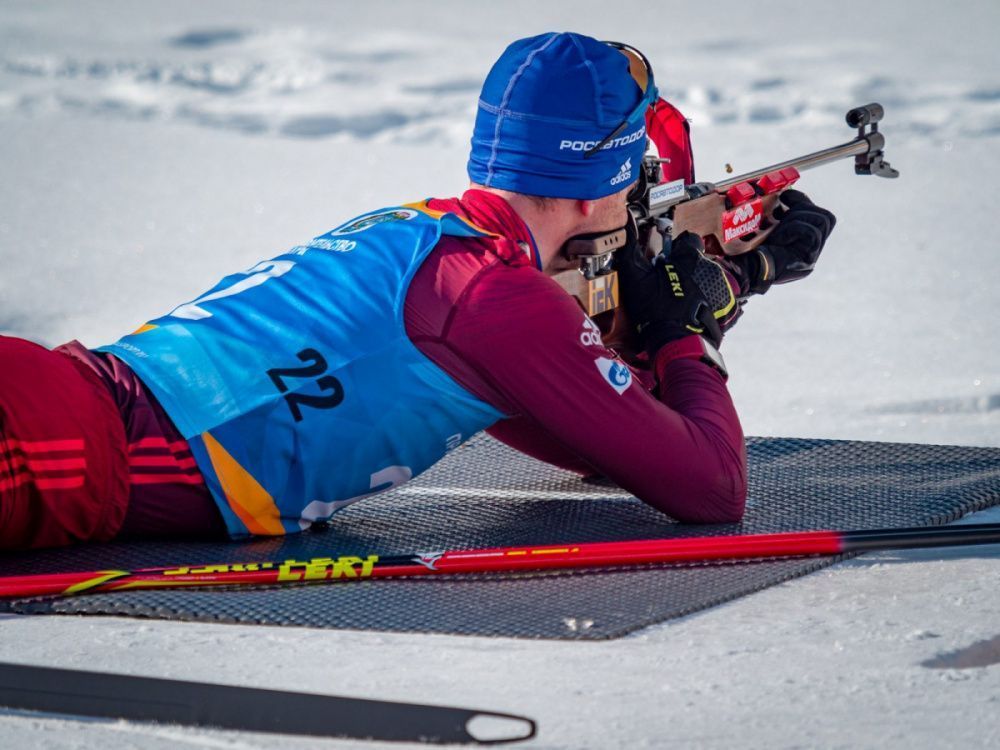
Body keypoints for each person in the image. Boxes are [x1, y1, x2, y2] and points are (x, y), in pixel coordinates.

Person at [0, 32, 835, 550]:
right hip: (73, 452)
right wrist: (689, 330)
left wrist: (718, 290)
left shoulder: (424, 231)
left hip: (63, 405)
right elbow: (711, 487)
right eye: (636, 174)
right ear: (598, 186)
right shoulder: (502, 303)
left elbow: (608, 444)